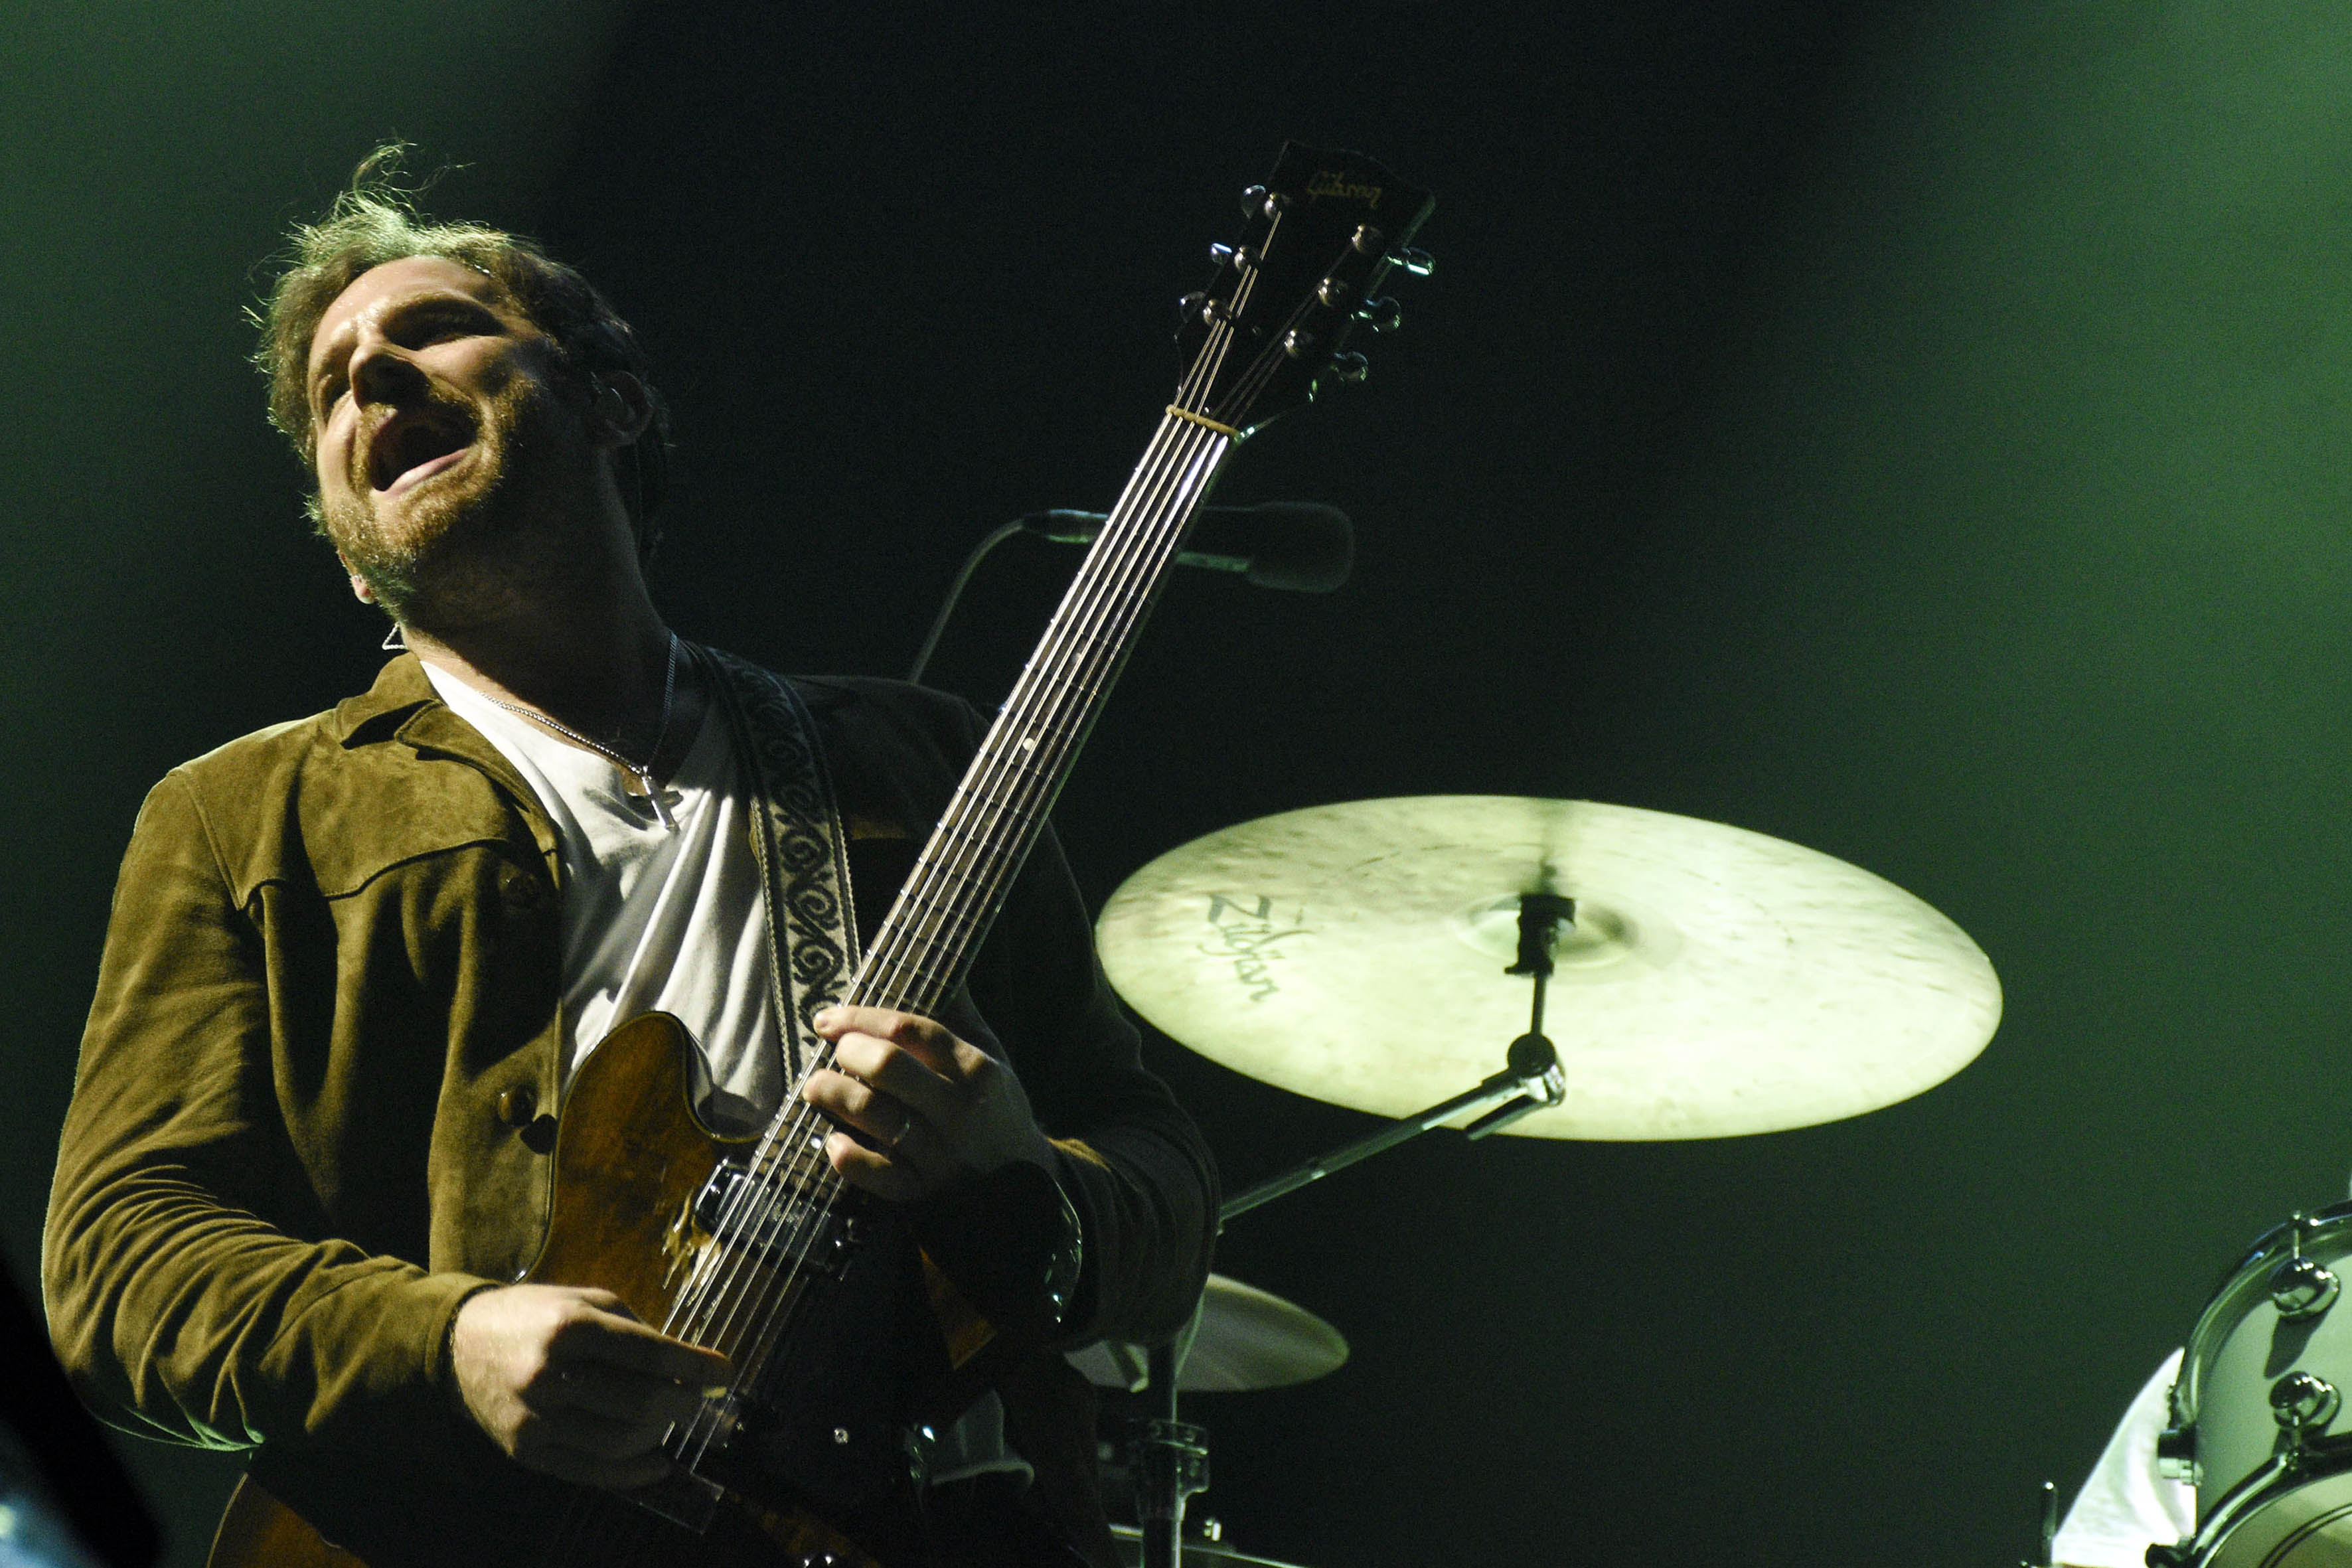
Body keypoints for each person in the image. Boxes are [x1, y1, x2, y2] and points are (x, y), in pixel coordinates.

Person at [41, 149, 1217, 1568]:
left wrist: (1026, 1176)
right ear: (350, 555)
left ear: (615, 400)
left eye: (430, 330)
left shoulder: (914, 759)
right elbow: (118, 1258)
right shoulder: (246, 812)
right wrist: (450, 1339)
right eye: (332, 385)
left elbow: (1159, 1174)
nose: (371, 380)